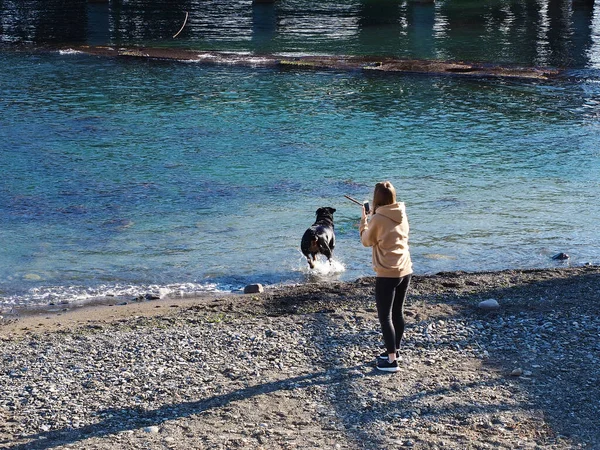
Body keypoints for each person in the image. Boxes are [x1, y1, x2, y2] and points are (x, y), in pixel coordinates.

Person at [359, 181, 413, 372]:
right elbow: (389, 232)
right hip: (405, 269)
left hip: (387, 273)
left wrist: (364, 220)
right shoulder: (401, 213)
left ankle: (391, 361)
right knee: (397, 312)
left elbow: (367, 240)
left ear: (376, 199)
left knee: (385, 316)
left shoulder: (377, 219)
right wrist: (373, 216)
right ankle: (395, 350)